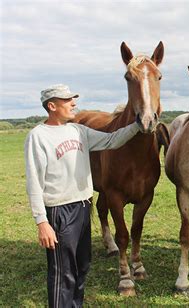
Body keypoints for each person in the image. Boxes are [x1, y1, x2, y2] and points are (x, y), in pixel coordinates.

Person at [24, 84, 140, 307]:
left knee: (82, 265)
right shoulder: (38, 136)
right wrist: (42, 222)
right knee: (62, 273)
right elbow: (34, 182)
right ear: (52, 106)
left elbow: (111, 140)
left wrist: (137, 125)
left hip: (83, 207)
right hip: (58, 210)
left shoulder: (79, 131)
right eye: (67, 100)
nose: (73, 103)